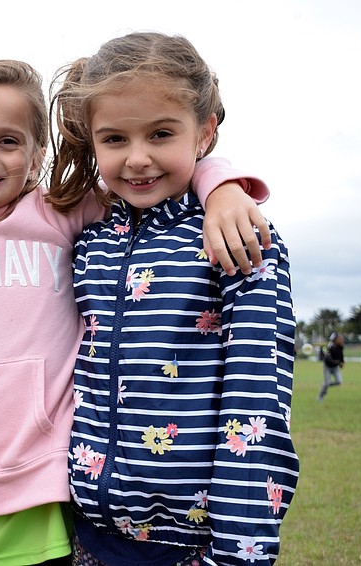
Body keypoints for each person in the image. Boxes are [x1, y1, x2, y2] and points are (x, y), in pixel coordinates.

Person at [0, 58, 274, 565]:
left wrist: (221, 185)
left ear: (37, 155)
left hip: (57, 484)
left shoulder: (61, 211)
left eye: (9, 141)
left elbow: (152, 182)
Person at [48, 32, 299, 565]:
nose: (137, 159)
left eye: (161, 134)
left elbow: (257, 406)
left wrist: (238, 555)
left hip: (191, 547)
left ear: (204, 132)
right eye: (114, 139)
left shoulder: (238, 236)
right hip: (86, 538)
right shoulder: (88, 239)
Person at [318, 332, 345, 400]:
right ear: (335, 340)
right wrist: (337, 362)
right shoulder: (330, 347)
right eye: (339, 338)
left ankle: (324, 385)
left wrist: (342, 362)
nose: (341, 340)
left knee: (339, 381)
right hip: (328, 367)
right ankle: (320, 396)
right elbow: (328, 359)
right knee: (326, 383)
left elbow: (341, 356)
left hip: (335, 367)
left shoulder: (341, 347)